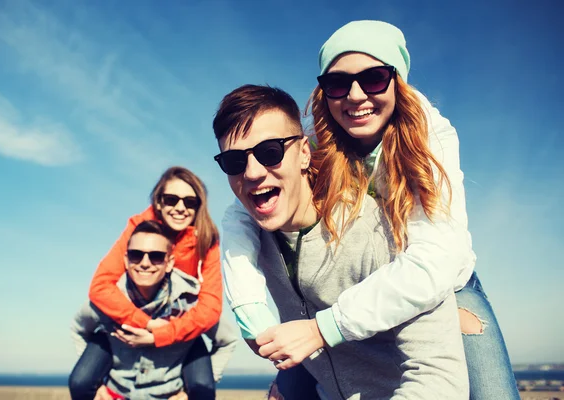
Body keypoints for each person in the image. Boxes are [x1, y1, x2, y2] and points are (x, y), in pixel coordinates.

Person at [219, 20, 519, 399]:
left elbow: (436, 260)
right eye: (338, 84)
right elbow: (242, 209)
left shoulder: (431, 139)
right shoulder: (309, 136)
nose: (355, 96)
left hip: (444, 283)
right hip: (351, 298)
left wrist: (322, 328)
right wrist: (249, 308)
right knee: (297, 381)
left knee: (494, 394)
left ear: (398, 82)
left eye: (374, 78)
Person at [212, 84, 469, 399]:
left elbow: (439, 379)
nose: (251, 172)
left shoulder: (381, 232)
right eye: (234, 162)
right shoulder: (254, 235)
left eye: (270, 152)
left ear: (305, 153)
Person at [69, 166, 237, 400]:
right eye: (171, 199)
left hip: (182, 322)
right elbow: (100, 286)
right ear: (158, 202)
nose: (180, 207)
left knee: (202, 389)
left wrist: (163, 334)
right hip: (139, 318)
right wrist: (147, 325)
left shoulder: (206, 238)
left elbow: (210, 308)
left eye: (190, 202)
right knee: (81, 382)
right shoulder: (139, 230)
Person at [72, 220, 200, 399]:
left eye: (156, 256)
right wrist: (96, 384)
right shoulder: (106, 301)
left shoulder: (189, 302)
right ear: (125, 259)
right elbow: (78, 328)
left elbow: (226, 341)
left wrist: (187, 394)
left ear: (169, 262)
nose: (145, 263)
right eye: (136, 255)